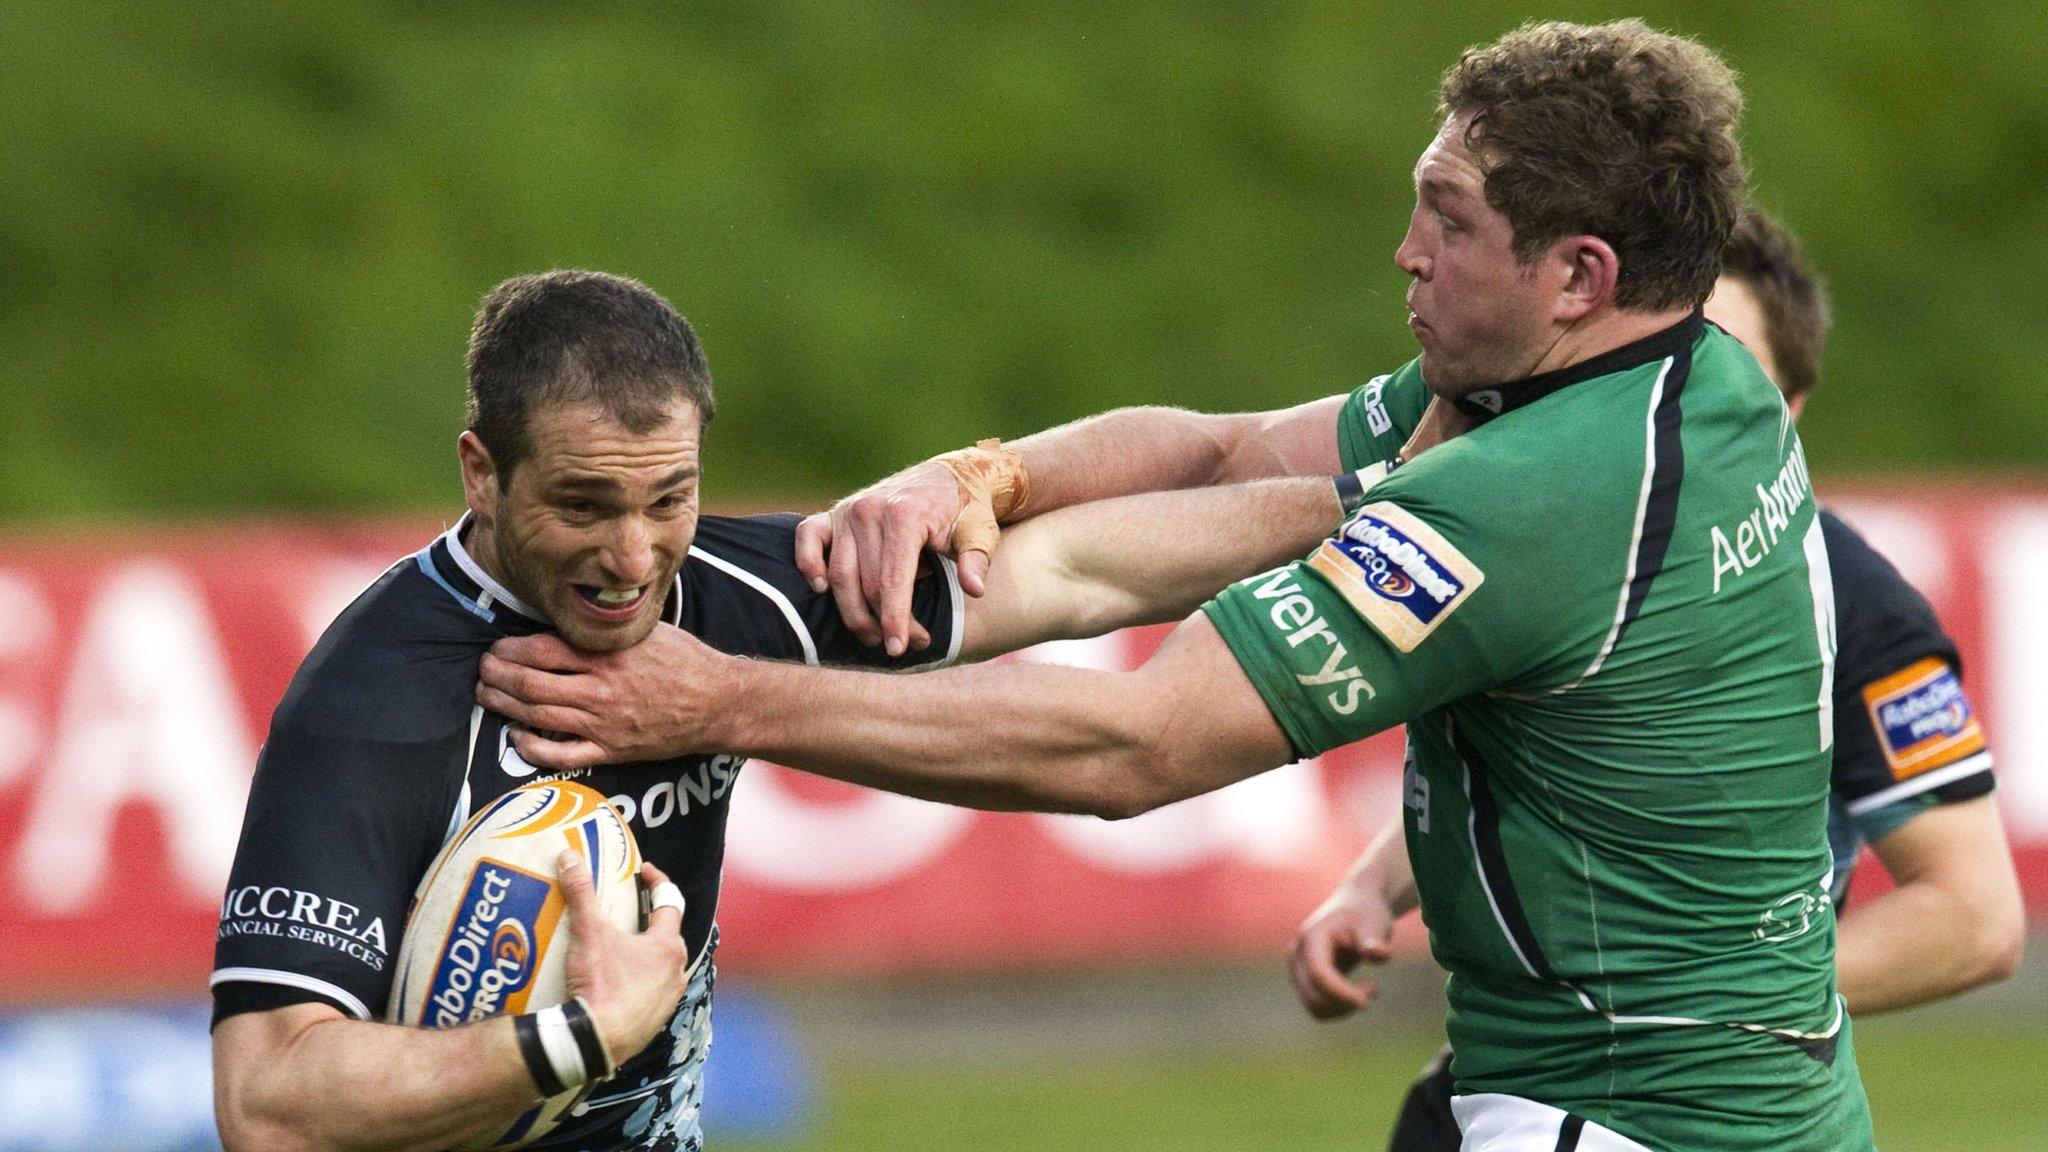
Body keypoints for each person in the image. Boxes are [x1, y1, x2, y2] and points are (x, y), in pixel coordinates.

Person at [481, 21, 1875, 1151]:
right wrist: (981, 475)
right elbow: (1225, 454)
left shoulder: (1528, 497)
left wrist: (718, 697)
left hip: (1624, 1119)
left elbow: (1132, 748)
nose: (1406, 252)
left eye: (1449, 221)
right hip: (1730, 1100)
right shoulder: (1698, 383)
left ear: (1579, 274)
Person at [208, 270, 1355, 1152]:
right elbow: (270, 1102)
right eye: (583, 503)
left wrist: (1385, 505)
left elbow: (1080, 575)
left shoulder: (726, 594)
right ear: (479, 473)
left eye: (670, 498)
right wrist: (583, 1038)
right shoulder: (377, 702)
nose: (631, 556)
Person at [1297, 208, 2025, 1152]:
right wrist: (1366, 890)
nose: (1672, 387)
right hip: (1510, 1078)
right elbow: (1528, 777)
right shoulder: (1556, 545)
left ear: (1784, 411)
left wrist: (1698, 1014)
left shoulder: (1860, 606)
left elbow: (1975, 918)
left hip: (1677, 1105)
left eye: (1715, 355)